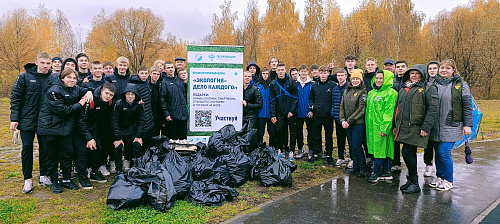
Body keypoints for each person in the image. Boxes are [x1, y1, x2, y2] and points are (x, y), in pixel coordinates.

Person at [38, 68, 92, 193]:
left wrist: (89, 91)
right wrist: (81, 103)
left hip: (65, 130)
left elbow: (86, 89)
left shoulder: (76, 88)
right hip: (49, 129)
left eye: (74, 78)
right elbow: (63, 110)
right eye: (69, 78)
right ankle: (55, 181)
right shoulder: (54, 91)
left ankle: (67, 180)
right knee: (51, 157)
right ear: (63, 78)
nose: (72, 80)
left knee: (67, 155)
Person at [10, 52, 55, 193]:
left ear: (51, 64)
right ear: (36, 62)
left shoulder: (54, 78)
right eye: (42, 62)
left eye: (48, 63)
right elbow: (16, 97)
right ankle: (27, 179)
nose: (45, 66)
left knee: (45, 149)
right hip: (27, 120)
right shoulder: (24, 77)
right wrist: (14, 118)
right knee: (27, 148)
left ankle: (43, 175)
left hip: (45, 120)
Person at [393, 64, 439, 194]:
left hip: (417, 127)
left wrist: (426, 127)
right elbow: (398, 109)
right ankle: (411, 180)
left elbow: (433, 109)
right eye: (411, 73)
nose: (413, 75)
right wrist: (395, 125)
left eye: (416, 73)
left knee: (407, 153)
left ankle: (414, 182)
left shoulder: (428, 88)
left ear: (422, 74)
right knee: (409, 153)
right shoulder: (404, 89)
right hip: (404, 127)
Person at [428, 59, 473, 191]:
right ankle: (440, 177)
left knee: (444, 152)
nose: (444, 70)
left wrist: (467, 125)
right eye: (442, 68)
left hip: (451, 125)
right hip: (435, 125)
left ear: (453, 70)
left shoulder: (461, 85)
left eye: (448, 68)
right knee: (437, 152)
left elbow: (467, 106)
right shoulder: (434, 83)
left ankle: (449, 180)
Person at [75, 83, 117, 189]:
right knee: (82, 153)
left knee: (99, 149)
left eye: (111, 95)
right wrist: (88, 138)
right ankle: (82, 178)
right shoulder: (90, 99)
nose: (108, 96)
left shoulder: (110, 103)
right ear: (101, 90)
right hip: (79, 130)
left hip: (94, 130)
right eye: (106, 93)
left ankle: (94, 172)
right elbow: (81, 121)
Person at [366, 69, 398, 183]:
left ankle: (376, 172)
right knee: (382, 149)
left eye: (381, 78)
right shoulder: (372, 93)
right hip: (372, 127)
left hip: (383, 127)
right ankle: (387, 172)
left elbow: (389, 112)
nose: (378, 80)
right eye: (377, 78)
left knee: (382, 149)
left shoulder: (391, 93)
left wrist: (384, 128)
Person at [111, 83, 145, 174]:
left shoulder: (139, 105)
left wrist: (138, 136)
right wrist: (118, 137)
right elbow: (114, 121)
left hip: (132, 129)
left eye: (132, 94)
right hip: (120, 130)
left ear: (135, 95)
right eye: (128, 94)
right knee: (118, 147)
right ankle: (118, 169)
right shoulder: (118, 104)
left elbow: (141, 121)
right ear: (125, 95)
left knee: (137, 145)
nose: (130, 96)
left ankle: (134, 167)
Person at [341, 69, 368, 177]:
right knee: (352, 146)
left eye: (357, 79)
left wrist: (349, 120)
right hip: (347, 124)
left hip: (358, 124)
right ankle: (355, 166)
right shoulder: (347, 90)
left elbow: (361, 108)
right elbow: (341, 106)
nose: (355, 81)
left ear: (361, 80)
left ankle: (363, 168)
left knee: (357, 146)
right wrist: (342, 120)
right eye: (353, 79)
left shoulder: (363, 91)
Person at [309, 65, 337, 164]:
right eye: (321, 73)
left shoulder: (333, 85)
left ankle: (329, 154)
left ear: (328, 73)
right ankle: (316, 152)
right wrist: (312, 106)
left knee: (328, 135)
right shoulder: (314, 85)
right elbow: (311, 98)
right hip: (317, 114)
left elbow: (336, 99)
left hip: (328, 115)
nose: (323, 75)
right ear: (319, 74)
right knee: (316, 135)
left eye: (325, 73)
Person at [270, 63, 298, 160]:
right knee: (279, 130)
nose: (280, 72)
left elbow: (295, 98)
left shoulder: (291, 82)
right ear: (276, 71)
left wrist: (292, 111)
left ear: (285, 70)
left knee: (293, 131)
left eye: (282, 69)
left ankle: (291, 151)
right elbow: (272, 100)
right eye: (279, 70)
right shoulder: (273, 84)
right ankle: (280, 149)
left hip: (291, 112)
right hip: (279, 112)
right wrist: (273, 114)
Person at [161, 62, 188, 140]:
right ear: (165, 70)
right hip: (172, 116)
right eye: (168, 68)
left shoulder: (179, 80)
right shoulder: (164, 82)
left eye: (172, 67)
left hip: (182, 116)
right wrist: (166, 114)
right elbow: (162, 100)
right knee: (172, 140)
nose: (170, 69)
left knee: (182, 140)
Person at [129, 66, 154, 148]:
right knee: (139, 142)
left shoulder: (147, 82)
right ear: (138, 73)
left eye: (146, 73)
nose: (144, 75)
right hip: (139, 118)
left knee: (147, 142)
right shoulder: (134, 84)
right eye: (142, 73)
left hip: (148, 116)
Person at [391, 60, 409, 173]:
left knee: (407, 141)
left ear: (407, 68)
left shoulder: (409, 81)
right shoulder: (392, 81)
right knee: (395, 138)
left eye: (403, 66)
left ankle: (409, 164)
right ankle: (396, 162)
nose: (400, 68)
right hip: (394, 112)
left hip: (406, 113)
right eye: (398, 67)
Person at [423, 61, 440, 177]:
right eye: (430, 69)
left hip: (441, 117)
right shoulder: (426, 82)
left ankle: (440, 168)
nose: (432, 71)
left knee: (439, 145)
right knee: (428, 143)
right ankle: (428, 164)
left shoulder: (444, 83)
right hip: (429, 115)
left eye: (435, 68)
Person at [331, 68, 349, 167]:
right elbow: (333, 102)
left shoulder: (349, 87)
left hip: (348, 119)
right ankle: (341, 157)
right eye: (338, 75)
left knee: (350, 140)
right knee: (340, 139)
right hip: (338, 118)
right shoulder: (335, 88)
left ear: (346, 76)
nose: (340, 77)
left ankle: (352, 158)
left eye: (342, 75)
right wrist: (333, 113)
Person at [294, 64, 313, 159]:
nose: (303, 73)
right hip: (298, 113)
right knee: (298, 132)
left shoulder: (311, 84)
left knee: (311, 131)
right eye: (301, 71)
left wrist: (311, 110)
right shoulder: (295, 84)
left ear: (307, 72)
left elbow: (313, 98)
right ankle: (300, 149)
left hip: (309, 113)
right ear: (299, 73)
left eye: (305, 71)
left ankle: (310, 149)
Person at [256, 67, 277, 148]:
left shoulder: (272, 84)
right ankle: (259, 147)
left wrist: (274, 113)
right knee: (260, 132)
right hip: (260, 113)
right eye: (263, 74)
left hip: (270, 113)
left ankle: (272, 147)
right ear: (261, 74)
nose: (265, 75)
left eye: (267, 74)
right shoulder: (257, 85)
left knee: (272, 132)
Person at [149, 66, 163, 137]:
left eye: (158, 74)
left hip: (157, 116)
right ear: (150, 74)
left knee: (156, 137)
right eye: (154, 74)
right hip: (147, 116)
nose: (156, 76)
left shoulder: (161, 85)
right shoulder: (146, 85)